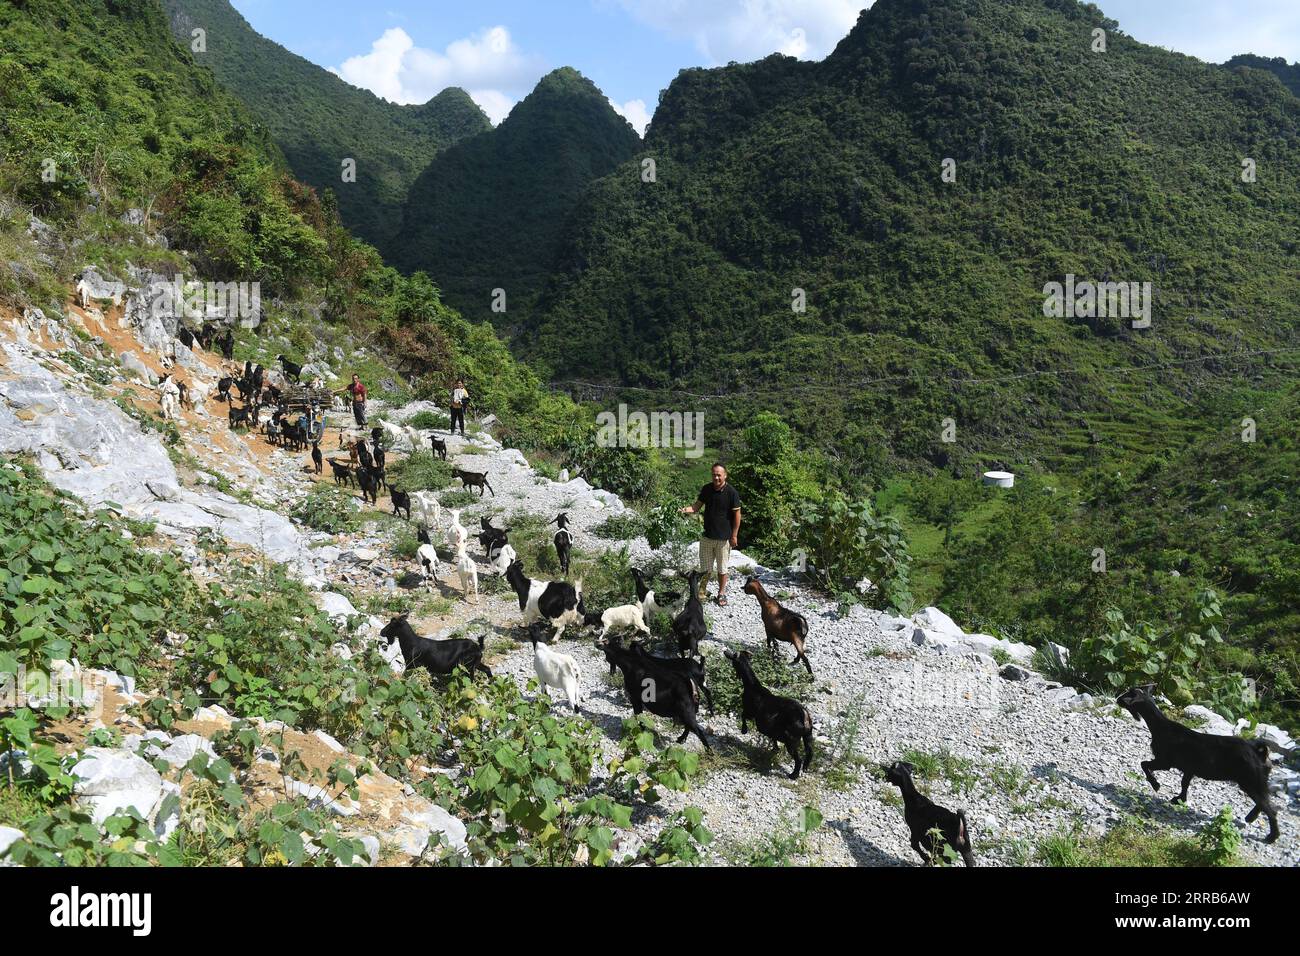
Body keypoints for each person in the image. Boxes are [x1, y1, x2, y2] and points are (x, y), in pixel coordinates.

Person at [680, 462, 741, 606]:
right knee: (705, 569)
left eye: (719, 475)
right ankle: (701, 592)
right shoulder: (707, 489)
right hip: (707, 536)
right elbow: (696, 507)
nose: (716, 477)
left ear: (725, 475)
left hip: (723, 538)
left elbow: (737, 515)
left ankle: (721, 593)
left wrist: (734, 535)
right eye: (714, 474)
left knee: (722, 569)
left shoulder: (732, 492)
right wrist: (684, 510)